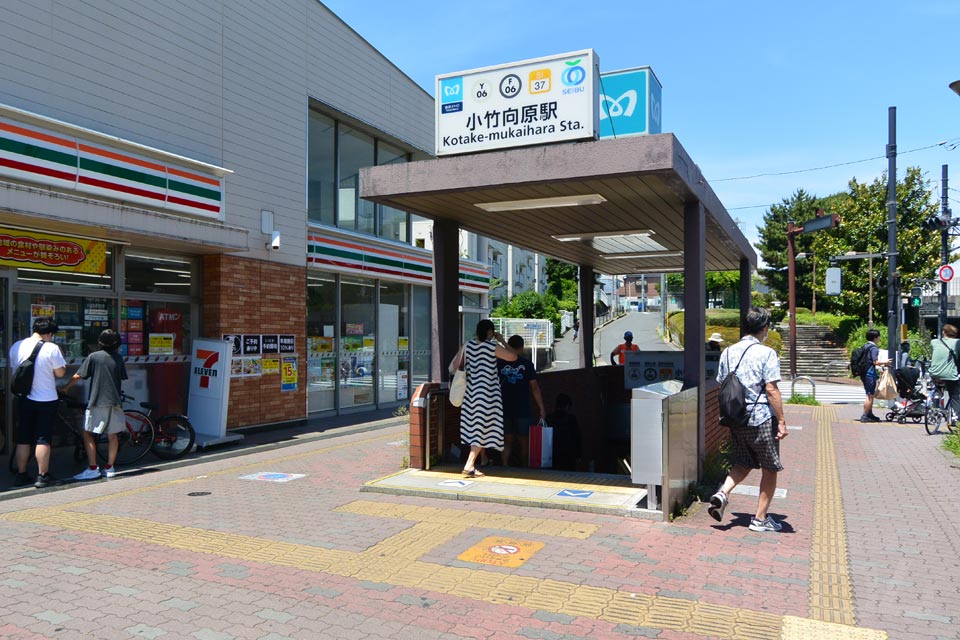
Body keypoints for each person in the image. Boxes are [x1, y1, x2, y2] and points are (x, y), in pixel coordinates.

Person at [708, 307, 788, 533]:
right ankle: (760, 519)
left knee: (744, 462)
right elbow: (771, 389)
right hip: (761, 417)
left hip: (736, 418)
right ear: (764, 328)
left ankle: (722, 493)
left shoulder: (728, 352)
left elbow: (721, 382)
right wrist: (781, 420)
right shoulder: (766, 353)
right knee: (769, 468)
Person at [10, 317, 67, 488]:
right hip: (46, 399)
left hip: (24, 398)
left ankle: (21, 474)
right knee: (43, 438)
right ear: (49, 333)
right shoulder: (51, 348)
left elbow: (16, 369)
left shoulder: (17, 346)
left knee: (23, 438)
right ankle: (42, 476)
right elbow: (60, 373)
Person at [63, 329, 128, 480]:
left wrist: (65, 387)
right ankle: (110, 468)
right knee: (112, 435)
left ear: (100, 341)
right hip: (115, 401)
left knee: (88, 433)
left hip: (98, 401)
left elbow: (79, 375)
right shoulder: (118, 358)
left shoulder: (94, 357)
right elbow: (122, 377)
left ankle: (93, 468)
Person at [459, 319, 516, 478]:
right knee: (481, 428)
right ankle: (469, 464)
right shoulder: (491, 346)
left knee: (476, 427)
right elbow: (513, 357)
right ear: (490, 332)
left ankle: (478, 461)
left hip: (470, 393)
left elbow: (455, 364)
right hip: (487, 394)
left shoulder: (467, 345)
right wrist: (502, 340)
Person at [497, 335, 546, 467]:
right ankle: (525, 467)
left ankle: (504, 466)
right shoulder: (527, 364)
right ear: (522, 347)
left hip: (503, 407)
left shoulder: (498, 362)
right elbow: (534, 387)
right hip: (522, 407)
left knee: (506, 440)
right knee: (524, 441)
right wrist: (541, 407)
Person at [928, 324, 960, 425]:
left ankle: (935, 407)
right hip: (950, 375)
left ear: (943, 333)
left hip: (934, 374)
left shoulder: (934, 342)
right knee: (954, 396)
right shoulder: (957, 342)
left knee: (937, 389)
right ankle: (956, 417)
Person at [859, 329, 889, 422]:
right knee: (870, 395)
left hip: (863, 373)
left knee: (868, 393)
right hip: (870, 373)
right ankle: (865, 415)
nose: (879, 338)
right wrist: (886, 362)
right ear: (875, 338)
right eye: (878, 337)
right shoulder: (874, 348)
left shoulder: (865, 346)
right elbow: (875, 362)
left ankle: (869, 414)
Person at [548, 393, 581, 471]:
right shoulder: (571, 419)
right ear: (567, 406)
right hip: (568, 459)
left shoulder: (548, 418)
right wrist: (578, 456)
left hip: (551, 459)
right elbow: (577, 438)